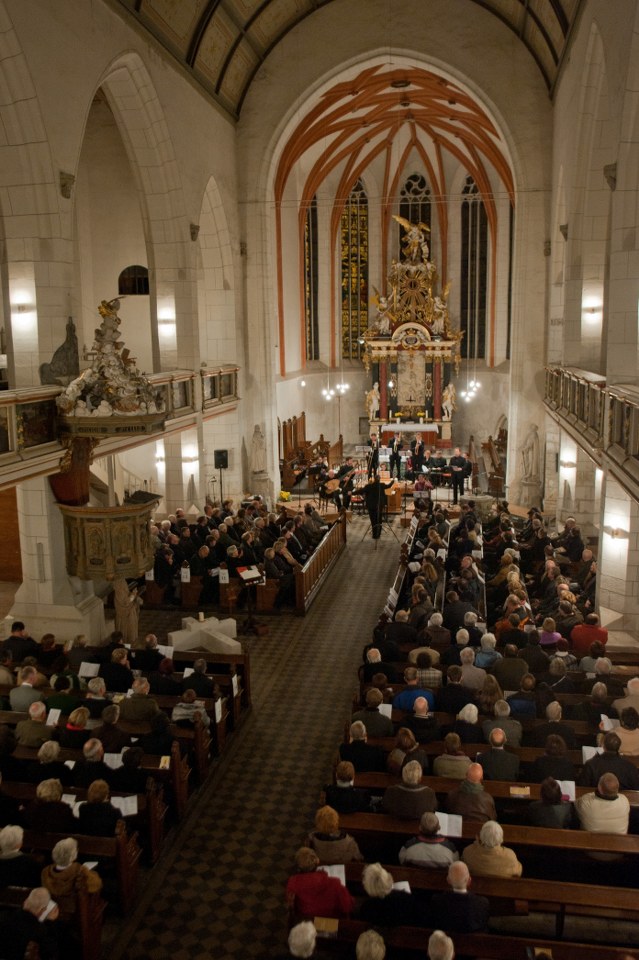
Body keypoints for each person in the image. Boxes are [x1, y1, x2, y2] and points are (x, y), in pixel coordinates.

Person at [41, 837, 103, 921]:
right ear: (73, 855)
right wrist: (92, 873)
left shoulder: (46, 872)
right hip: (78, 913)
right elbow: (97, 884)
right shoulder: (79, 870)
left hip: (55, 912)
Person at [286, 847, 354, 920]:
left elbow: (291, 905)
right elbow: (347, 906)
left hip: (306, 923)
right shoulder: (334, 883)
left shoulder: (293, 882)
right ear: (317, 861)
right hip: (331, 923)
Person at [427, 861, 490, 932]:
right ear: (469, 881)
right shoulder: (482, 904)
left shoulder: (437, 901)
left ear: (448, 880)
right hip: (471, 943)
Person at [4, 887, 61, 960]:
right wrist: (50, 922)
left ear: (25, 901)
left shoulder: (5, 916)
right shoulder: (40, 932)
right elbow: (51, 954)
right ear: (42, 910)